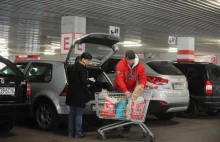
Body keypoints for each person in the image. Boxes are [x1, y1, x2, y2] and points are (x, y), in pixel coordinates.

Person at [114, 50, 147, 133]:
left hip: (131, 89)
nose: (130, 62)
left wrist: (142, 85)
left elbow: (142, 78)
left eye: (132, 60)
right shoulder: (120, 65)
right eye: (128, 60)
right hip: (119, 89)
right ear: (126, 58)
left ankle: (127, 128)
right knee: (117, 109)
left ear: (134, 59)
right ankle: (114, 127)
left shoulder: (140, 66)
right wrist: (125, 90)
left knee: (129, 109)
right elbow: (119, 79)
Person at [66, 52, 94, 138]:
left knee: (71, 114)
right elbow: (83, 81)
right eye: (88, 60)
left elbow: (70, 79)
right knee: (79, 115)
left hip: (71, 93)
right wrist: (91, 81)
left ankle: (70, 133)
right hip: (79, 94)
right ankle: (78, 133)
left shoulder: (72, 67)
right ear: (83, 59)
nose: (88, 62)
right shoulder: (82, 69)